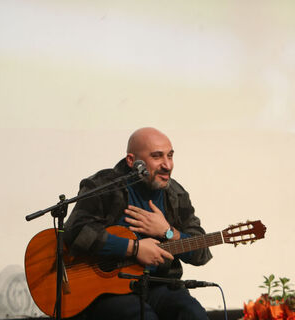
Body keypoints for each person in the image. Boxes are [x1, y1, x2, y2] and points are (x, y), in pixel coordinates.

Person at [64, 127, 212, 320]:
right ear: (132, 161)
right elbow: (75, 232)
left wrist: (168, 232)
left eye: (170, 155)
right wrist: (134, 248)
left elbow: (202, 252)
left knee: (193, 314)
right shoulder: (104, 186)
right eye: (157, 156)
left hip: (158, 285)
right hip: (108, 291)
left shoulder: (176, 195)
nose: (168, 165)